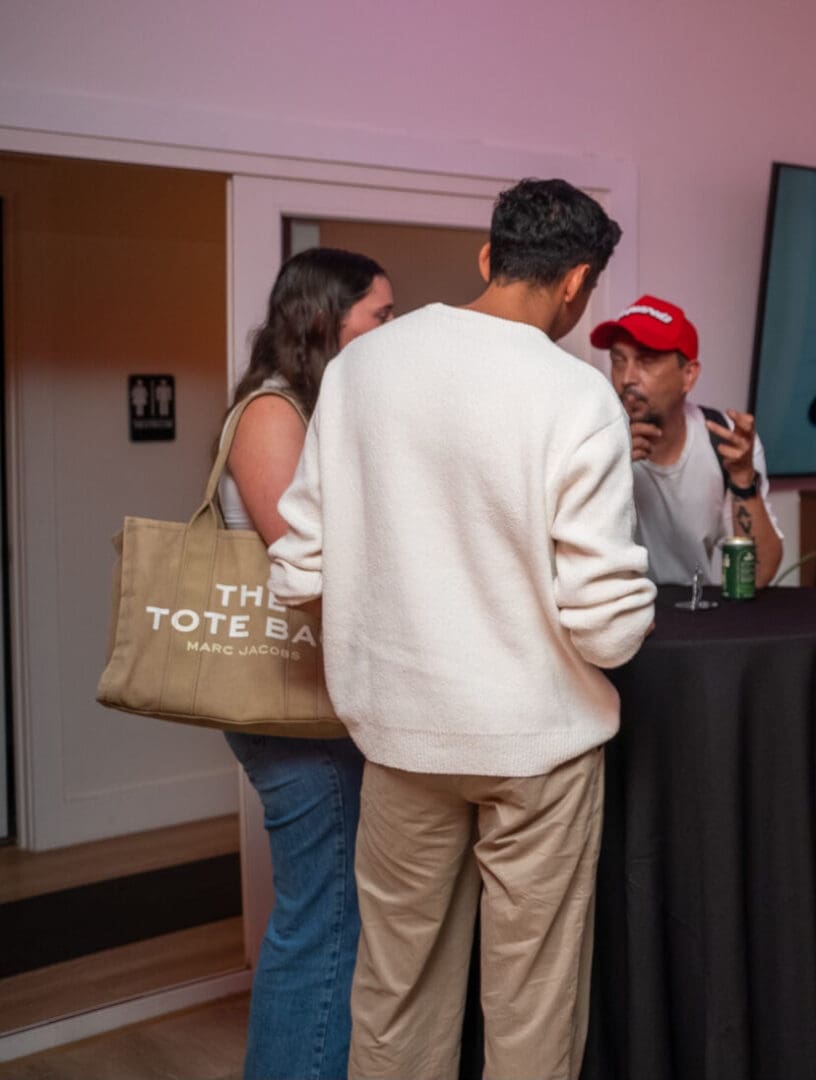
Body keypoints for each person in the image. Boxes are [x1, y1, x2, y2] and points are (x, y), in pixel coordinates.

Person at [269, 179, 656, 1080]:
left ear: (488, 258)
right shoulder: (574, 393)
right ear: (578, 284)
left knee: (395, 994)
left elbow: (298, 568)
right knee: (531, 1009)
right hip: (536, 744)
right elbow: (603, 628)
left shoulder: (361, 369)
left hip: (399, 733)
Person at [220, 246, 391, 1080]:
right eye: (379, 316)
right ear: (327, 318)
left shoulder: (322, 407)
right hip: (291, 698)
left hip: (326, 694)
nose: (388, 331)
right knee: (324, 917)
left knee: (336, 911)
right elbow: (304, 560)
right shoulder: (272, 411)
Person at [590, 295, 784, 586]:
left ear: (688, 375)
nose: (627, 377)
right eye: (618, 361)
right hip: (615, 621)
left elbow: (757, 575)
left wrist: (744, 479)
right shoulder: (590, 439)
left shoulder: (725, 439)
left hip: (693, 618)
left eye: (646, 361)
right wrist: (607, 465)